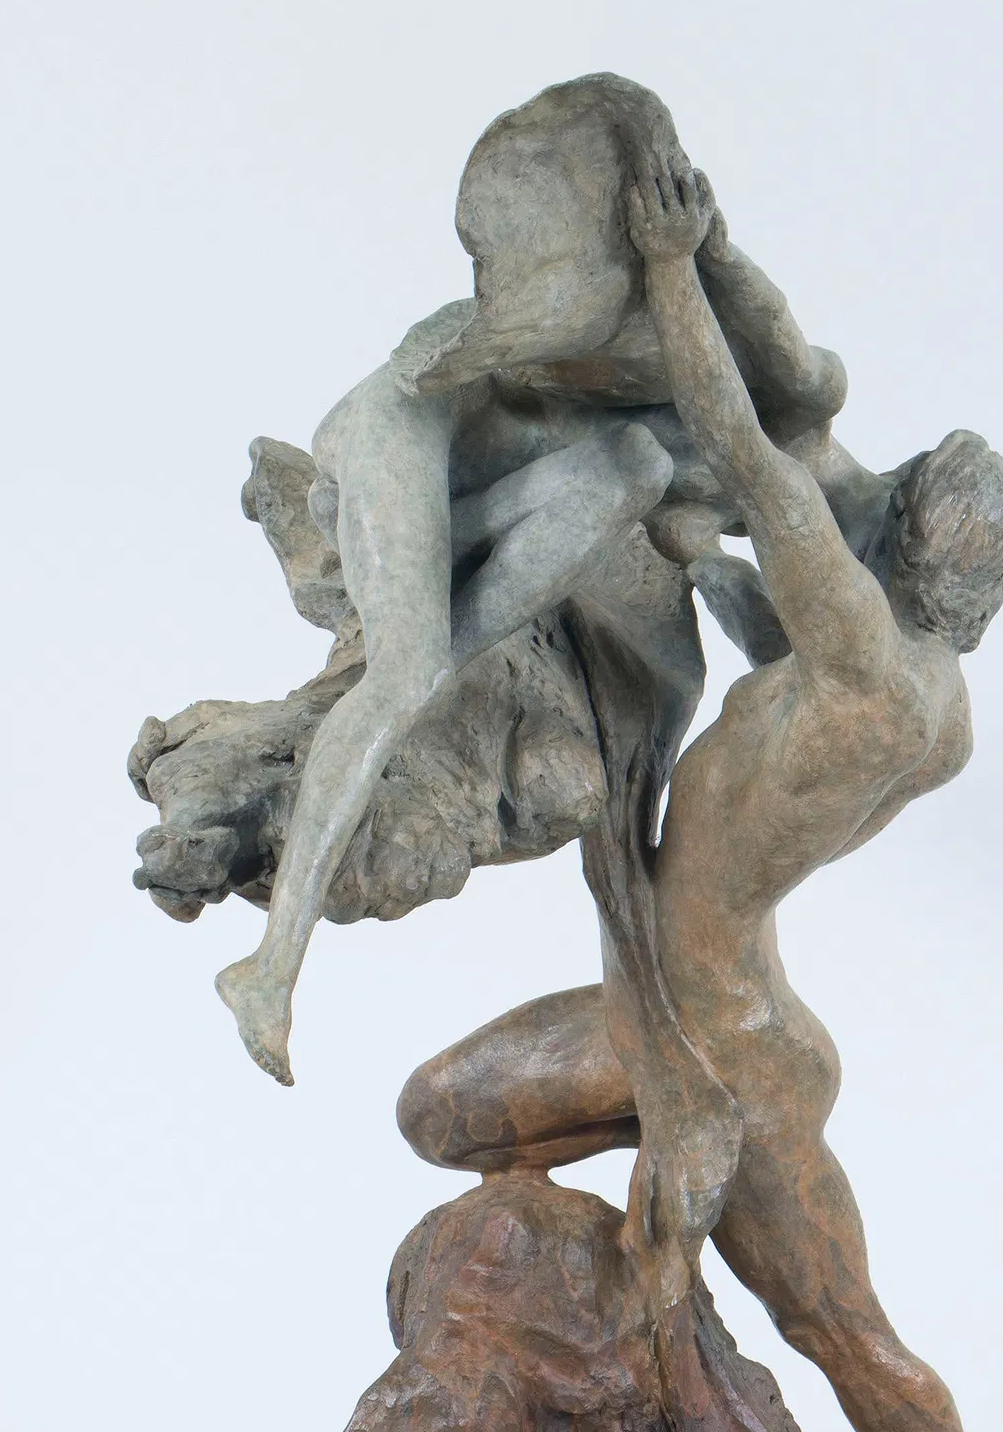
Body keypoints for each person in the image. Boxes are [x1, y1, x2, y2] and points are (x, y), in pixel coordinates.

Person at [397, 167, 1003, 1432]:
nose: (858, 507)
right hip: (721, 1013)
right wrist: (709, 569)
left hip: (713, 1049)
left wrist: (679, 267)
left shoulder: (867, 657)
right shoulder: (926, 701)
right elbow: (784, 683)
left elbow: (751, 447)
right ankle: (663, 1331)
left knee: (827, 1323)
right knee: (463, 1127)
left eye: (884, 507)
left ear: (909, 544)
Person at [211, 80, 846, 1087]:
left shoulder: (684, 389)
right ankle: (267, 969)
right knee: (407, 670)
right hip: (402, 440)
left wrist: (710, 258)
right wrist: (701, 255)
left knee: (630, 485)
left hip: (491, 504)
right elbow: (802, 388)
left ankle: (428, 636)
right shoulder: (644, 347)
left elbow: (799, 398)